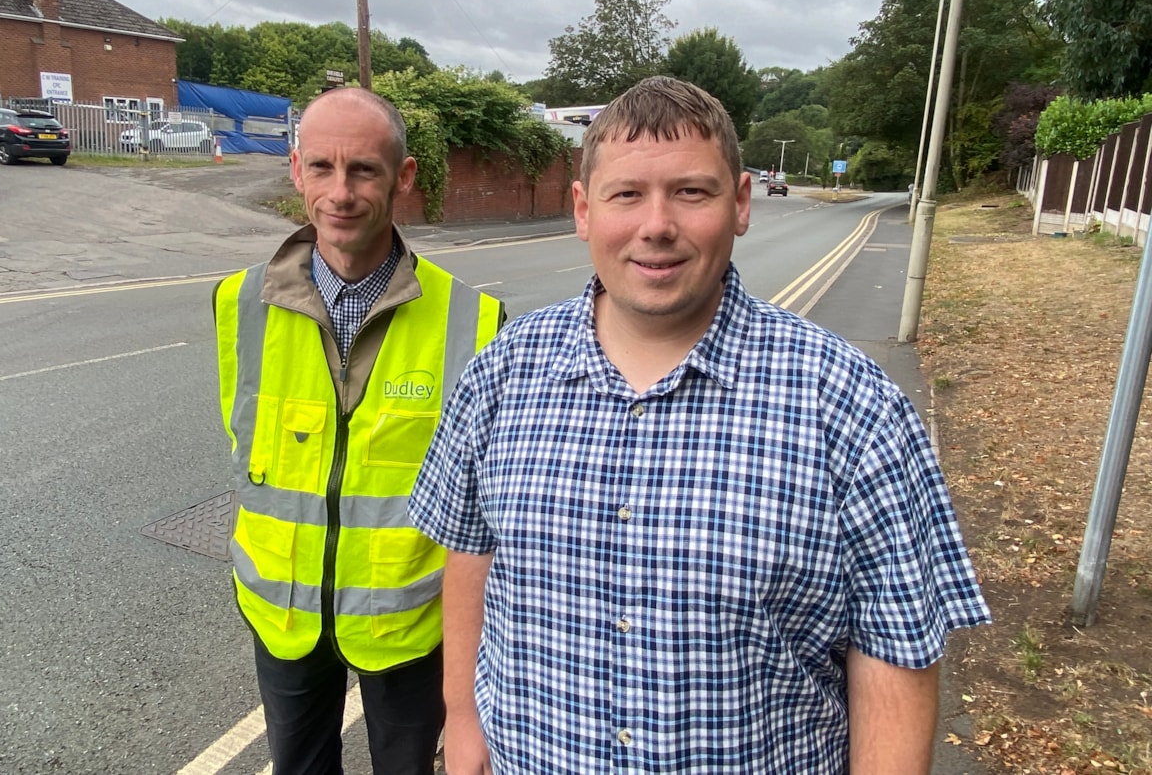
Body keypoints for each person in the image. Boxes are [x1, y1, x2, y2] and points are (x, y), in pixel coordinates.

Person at [409, 75, 990, 774]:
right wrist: (464, 718)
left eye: (691, 191)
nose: (657, 225)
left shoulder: (851, 404)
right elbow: (470, 550)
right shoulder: (500, 375)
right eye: (627, 194)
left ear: (740, 204)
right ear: (584, 210)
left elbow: (895, 648)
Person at [214, 87, 504, 775]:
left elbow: (484, 510)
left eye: (363, 170)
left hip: (408, 623)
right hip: (283, 612)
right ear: (295, 171)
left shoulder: (473, 318)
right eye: (321, 168)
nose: (339, 192)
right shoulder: (236, 302)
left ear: (403, 177)